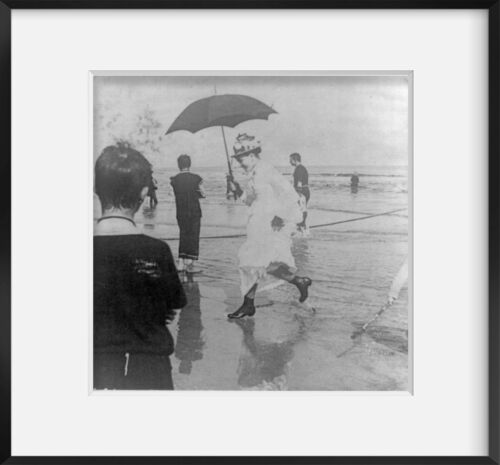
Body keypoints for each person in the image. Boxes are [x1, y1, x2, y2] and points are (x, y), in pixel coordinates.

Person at [93, 142, 186, 390]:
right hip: (150, 366)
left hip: (95, 367)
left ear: (95, 189)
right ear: (144, 193)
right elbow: (174, 303)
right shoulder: (156, 251)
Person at [226, 133, 312, 319]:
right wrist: (237, 190)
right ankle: (299, 282)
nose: (240, 163)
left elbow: (290, 194)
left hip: (270, 224)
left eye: (241, 159)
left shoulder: (267, 170)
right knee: (260, 263)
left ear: (251, 154)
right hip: (257, 222)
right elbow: (251, 200)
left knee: (252, 262)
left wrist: (280, 216)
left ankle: (249, 304)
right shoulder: (252, 174)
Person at [170, 154, 205, 273]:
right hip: (194, 210)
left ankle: (180, 263)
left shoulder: (174, 180)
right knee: (193, 236)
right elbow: (203, 194)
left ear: (178, 165)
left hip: (181, 211)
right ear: (189, 164)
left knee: (183, 235)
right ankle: (190, 265)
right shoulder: (197, 178)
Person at [289, 152, 310, 233]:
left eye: (290, 160)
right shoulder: (301, 168)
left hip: (302, 191)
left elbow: (299, 182)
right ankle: (301, 226)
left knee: (301, 209)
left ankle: (302, 227)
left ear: (294, 160)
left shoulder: (299, 168)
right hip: (304, 191)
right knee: (300, 209)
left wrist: (298, 193)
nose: (289, 162)